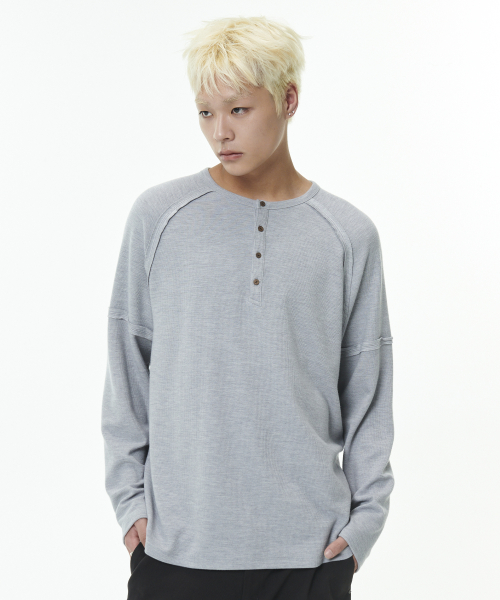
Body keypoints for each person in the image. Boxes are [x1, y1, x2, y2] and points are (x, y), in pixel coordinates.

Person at [101, 15, 395, 600]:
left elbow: (369, 389)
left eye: (238, 109)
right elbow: (127, 366)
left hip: (310, 552)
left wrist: (365, 522)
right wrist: (130, 502)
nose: (220, 132)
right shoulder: (159, 217)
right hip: (176, 548)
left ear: (288, 100)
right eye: (205, 112)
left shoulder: (347, 234)